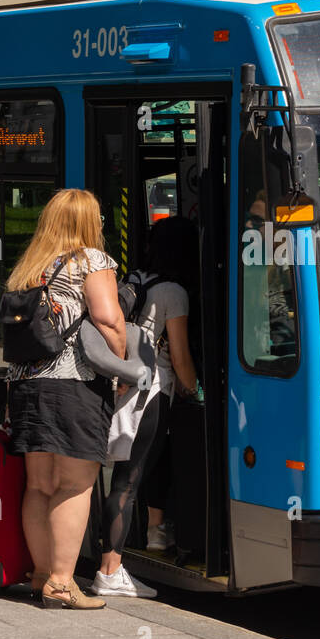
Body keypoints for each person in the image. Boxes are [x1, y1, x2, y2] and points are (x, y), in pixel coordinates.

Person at [5, 188, 126, 610]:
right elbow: (108, 319)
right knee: (75, 484)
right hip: (74, 386)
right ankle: (61, 581)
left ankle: (42, 575)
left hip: (26, 384)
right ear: (87, 222)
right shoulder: (92, 260)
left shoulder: (29, 266)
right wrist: (123, 363)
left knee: (39, 485)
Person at [93, 216, 200, 597]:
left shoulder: (134, 279)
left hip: (122, 386)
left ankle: (130, 552)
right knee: (129, 481)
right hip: (152, 391)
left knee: (124, 475)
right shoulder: (174, 291)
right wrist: (193, 389)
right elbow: (182, 357)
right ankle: (110, 570)